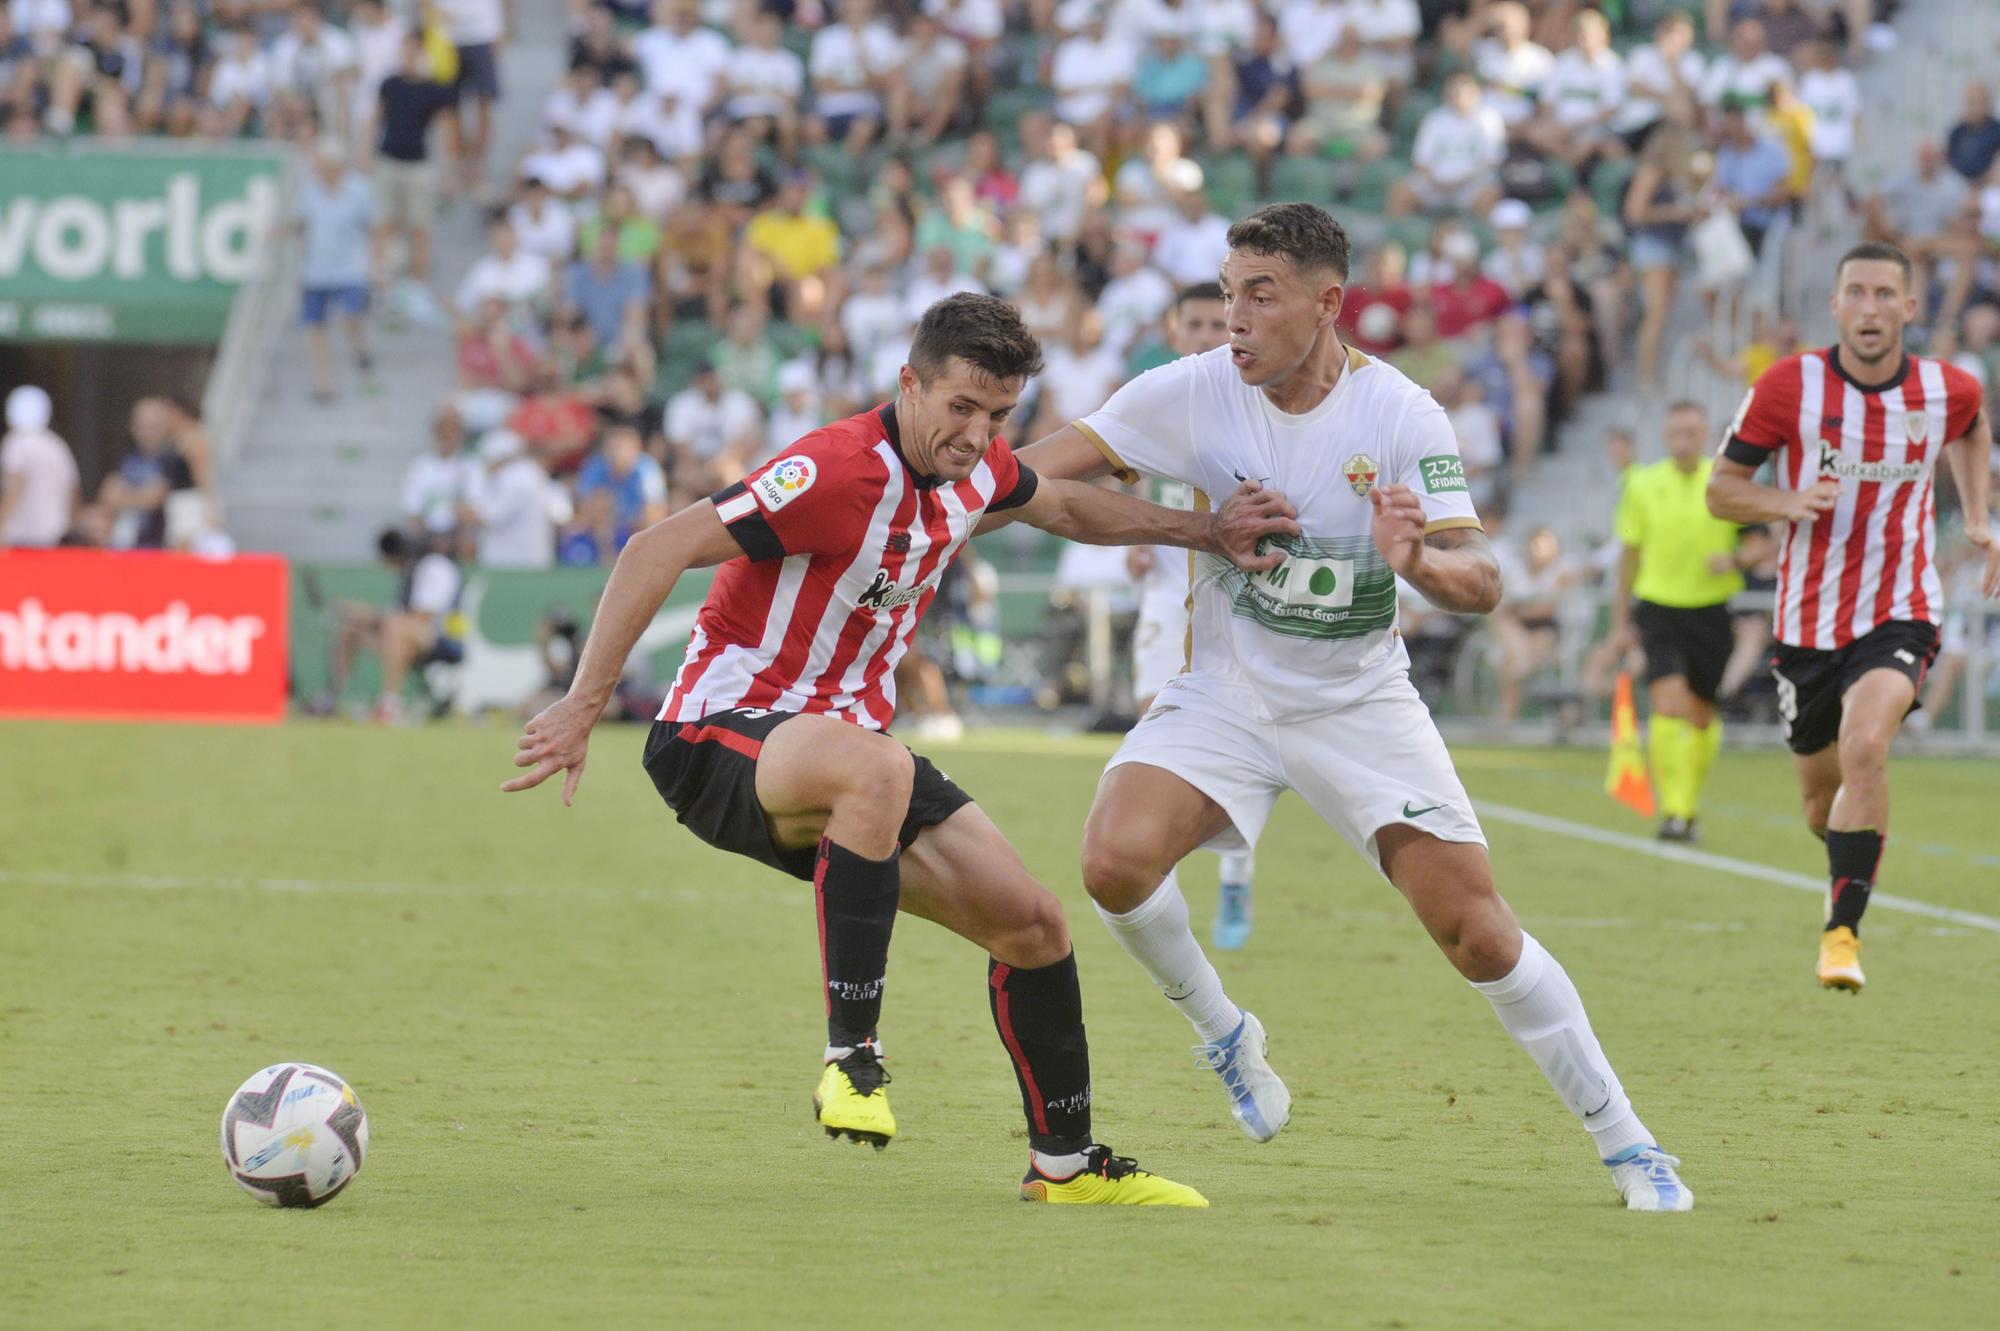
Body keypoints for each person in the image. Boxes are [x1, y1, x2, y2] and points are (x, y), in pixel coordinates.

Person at [502, 293, 1298, 1206]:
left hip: (845, 757)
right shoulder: (835, 468)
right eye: (960, 408)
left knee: (1033, 925)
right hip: (716, 735)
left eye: (998, 416)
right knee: (875, 766)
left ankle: (1067, 1166)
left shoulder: (976, 469)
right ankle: (852, 1060)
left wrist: (1209, 531)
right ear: (909, 384)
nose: (976, 434)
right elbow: (653, 547)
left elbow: (1070, 508)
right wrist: (580, 705)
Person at [1007, 203, 1694, 1212]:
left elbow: (1484, 577)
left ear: (1327, 304)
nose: (1232, 318)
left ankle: (1628, 1142)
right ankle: (1225, 1032)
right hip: (1226, 694)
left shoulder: (1400, 414)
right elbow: (1023, 479)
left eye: (1259, 295)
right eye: (1228, 291)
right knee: (1111, 858)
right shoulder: (1191, 393)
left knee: (1475, 933)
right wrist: (1199, 526)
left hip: (1357, 700)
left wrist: (1415, 561)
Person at [1707, 241, 1999, 992]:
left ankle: (1841, 934)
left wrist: (1978, 518)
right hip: (1807, 621)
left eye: (1885, 295)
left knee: (1867, 744)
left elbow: (1971, 426)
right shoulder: (1788, 386)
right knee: (1820, 800)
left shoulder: (1946, 389)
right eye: (1856, 294)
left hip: (1901, 608)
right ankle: (1849, 860)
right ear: (1835, 306)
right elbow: (1721, 490)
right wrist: (1783, 502)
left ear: (1909, 307)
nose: (1870, 309)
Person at [1121, 282, 1262, 951]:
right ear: (1174, 329)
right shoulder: (1155, 394)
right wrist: (1134, 536)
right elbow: (1123, 474)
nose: (1209, 333)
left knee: (1239, 740)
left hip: (1228, 591)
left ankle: (1236, 872)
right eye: (1196, 322)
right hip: (1162, 590)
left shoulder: (1252, 396)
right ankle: (1158, 868)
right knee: (1155, 717)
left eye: (1218, 321)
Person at [1610, 402, 1745, 844]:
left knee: (1703, 716)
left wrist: (1737, 558)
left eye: (1692, 432)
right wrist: (1622, 619)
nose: (1684, 440)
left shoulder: (1725, 483)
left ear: (1705, 435)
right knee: (1668, 704)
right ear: (1667, 437)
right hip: (1659, 607)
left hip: (1711, 610)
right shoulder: (1644, 485)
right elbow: (1629, 556)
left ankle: (1688, 804)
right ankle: (1675, 811)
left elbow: (1764, 543)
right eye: (1677, 433)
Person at [294, 141, 377, 404]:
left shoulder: (359, 190)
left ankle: (360, 347)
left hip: (350, 267)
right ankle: (324, 383)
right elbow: (303, 222)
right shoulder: (311, 191)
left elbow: (375, 225)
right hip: (316, 270)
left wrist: (378, 261)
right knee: (314, 328)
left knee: (350, 316)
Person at [0, 385, 78, 547]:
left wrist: (2, 527)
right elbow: (73, 491)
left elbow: (16, 485)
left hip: (23, 538)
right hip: (54, 538)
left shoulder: (16, 442)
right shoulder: (57, 445)